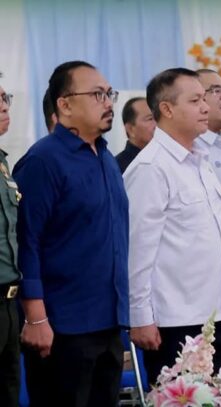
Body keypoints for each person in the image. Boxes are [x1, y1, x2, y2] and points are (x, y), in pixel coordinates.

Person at [14, 60, 128, 406]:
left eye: (109, 94)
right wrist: (36, 317)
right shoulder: (43, 161)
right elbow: (26, 242)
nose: (108, 103)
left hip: (108, 321)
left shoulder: (106, 158)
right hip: (62, 326)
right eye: (97, 94)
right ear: (64, 104)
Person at [125, 68, 221, 382]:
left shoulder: (200, 161)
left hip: (214, 314)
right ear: (167, 109)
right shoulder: (151, 168)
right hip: (175, 322)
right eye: (195, 100)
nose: (205, 107)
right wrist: (141, 317)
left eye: (204, 99)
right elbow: (137, 251)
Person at [0, 84, 21, 406]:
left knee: (9, 392)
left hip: (8, 301)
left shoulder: (3, 163)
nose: (4, 107)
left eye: (5, 99)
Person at [115, 96, 156, 173]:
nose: (157, 125)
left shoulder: (163, 158)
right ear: (130, 129)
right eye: (150, 119)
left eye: (158, 118)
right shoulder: (117, 167)